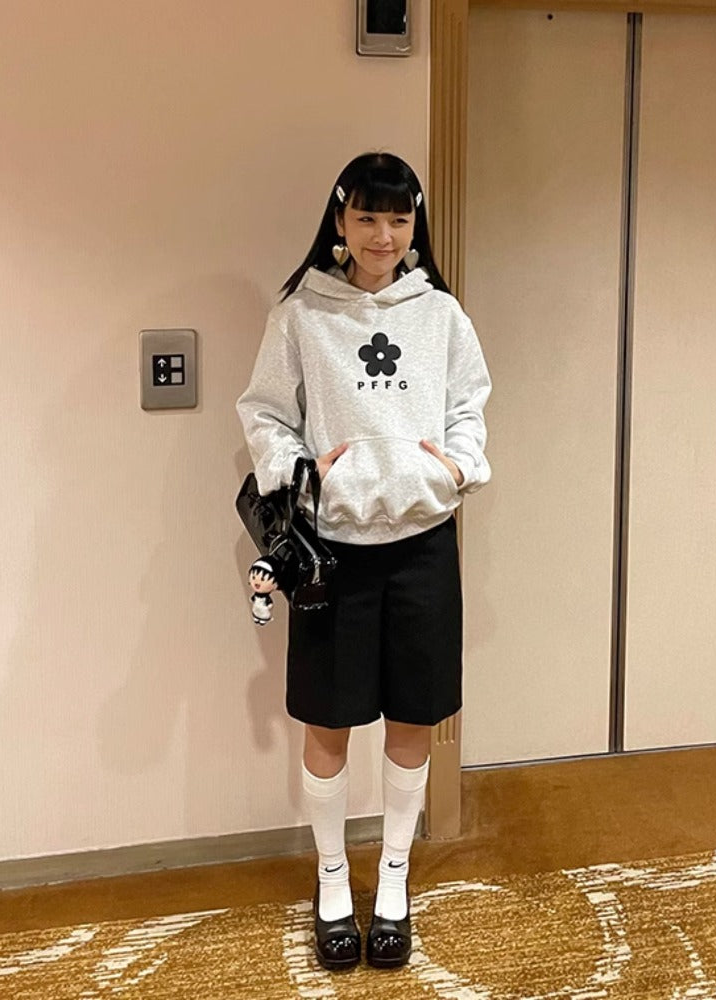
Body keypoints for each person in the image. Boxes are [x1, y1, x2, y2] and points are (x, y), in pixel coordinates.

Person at [236, 151, 491, 972]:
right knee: (329, 723)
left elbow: (469, 406)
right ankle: (332, 881)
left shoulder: (441, 314)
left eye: (399, 219)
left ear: (416, 225)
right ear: (340, 221)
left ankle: (393, 882)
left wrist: (455, 468)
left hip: (423, 545)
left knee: (414, 719)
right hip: (334, 554)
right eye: (368, 217)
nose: (384, 235)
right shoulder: (302, 314)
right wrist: (304, 470)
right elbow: (265, 413)